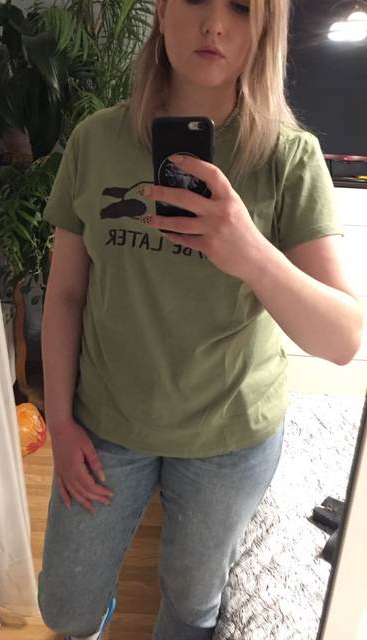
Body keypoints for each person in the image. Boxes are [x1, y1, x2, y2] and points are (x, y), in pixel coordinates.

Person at [36, 1, 364, 639]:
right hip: (106, 424)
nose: (215, 23)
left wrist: (249, 251)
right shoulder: (96, 141)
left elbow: (342, 338)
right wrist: (61, 420)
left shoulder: (289, 158)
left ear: (263, 28)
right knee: (66, 608)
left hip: (229, 439)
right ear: (162, 12)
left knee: (192, 609)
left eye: (240, 6)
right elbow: (67, 294)